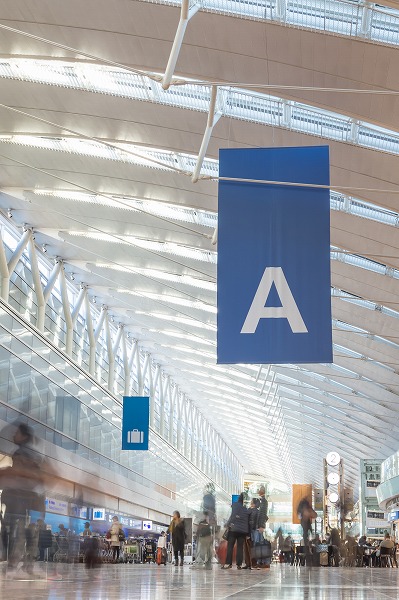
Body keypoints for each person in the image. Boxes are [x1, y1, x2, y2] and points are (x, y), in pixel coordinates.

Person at [221, 493, 249, 570]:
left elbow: (232, 516)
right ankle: (239, 565)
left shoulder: (235, 505)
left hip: (234, 530)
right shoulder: (246, 508)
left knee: (230, 546)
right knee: (240, 548)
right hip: (243, 531)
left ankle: (228, 564)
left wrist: (228, 524)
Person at [256, 486, 269, 569]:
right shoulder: (262, 501)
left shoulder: (263, 501)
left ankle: (262, 561)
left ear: (262, 491)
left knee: (260, 544)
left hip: (260, 525)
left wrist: (261, 526)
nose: (257, 491)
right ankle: (261, 561)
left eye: (259, 490)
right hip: (260, 525)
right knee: (260, 543)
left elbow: (262, 514)